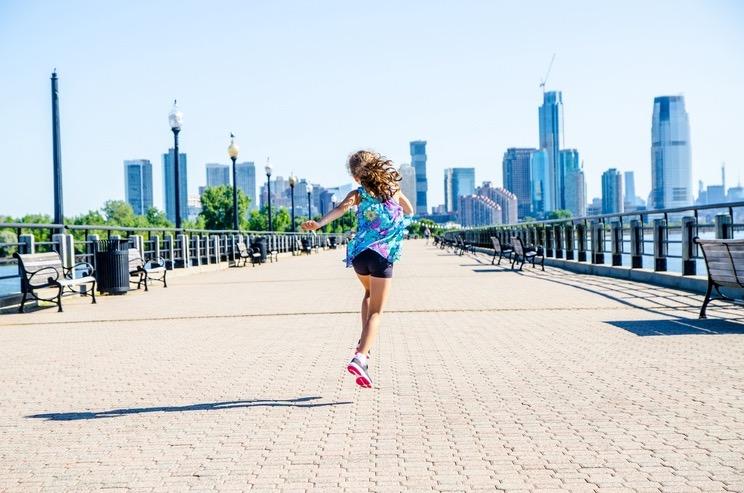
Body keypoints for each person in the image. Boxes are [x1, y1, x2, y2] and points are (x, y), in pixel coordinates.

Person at [301, 150, 413, 388]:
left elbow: (341, 209)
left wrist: (319, 223)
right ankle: (361, 357)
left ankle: (364, 347)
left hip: (360, 255)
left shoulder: (358, 194)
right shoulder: (392, 189)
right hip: (382, 255)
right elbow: (410, 210)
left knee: (369, 294)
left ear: (356, 177)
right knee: (376, 313)